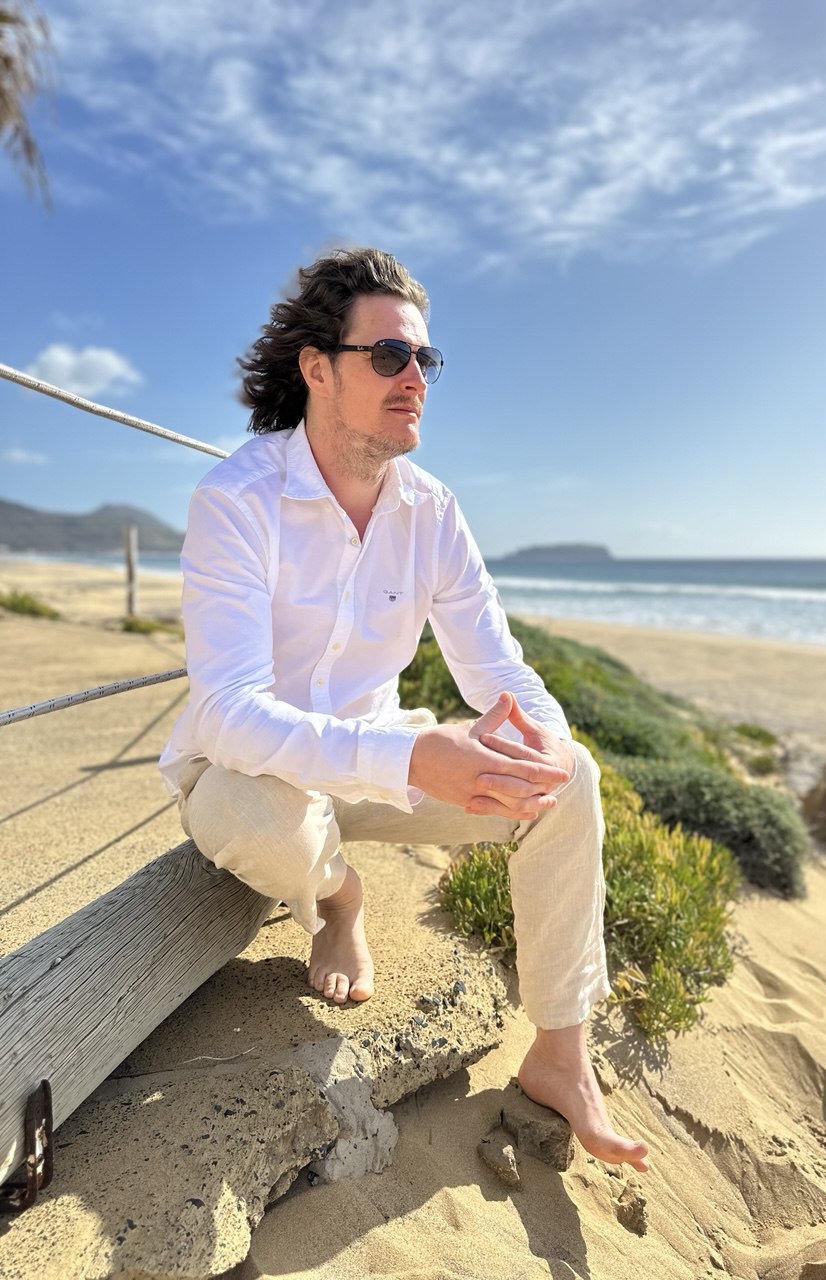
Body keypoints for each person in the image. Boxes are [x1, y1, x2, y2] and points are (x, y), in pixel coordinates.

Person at [159, 247, 648, 1173]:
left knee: (571, 778)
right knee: (262, 817)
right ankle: (341, 898)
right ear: (317, 368)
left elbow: (498, 670)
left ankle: (560, 1055)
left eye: (425, 358)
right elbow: (226, 713)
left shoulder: (433, 511)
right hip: (248, 773)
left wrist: (544, 743)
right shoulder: (237, 499)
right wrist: (417, 760)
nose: (415, 377)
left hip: (377, 762)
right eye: (388, 356)